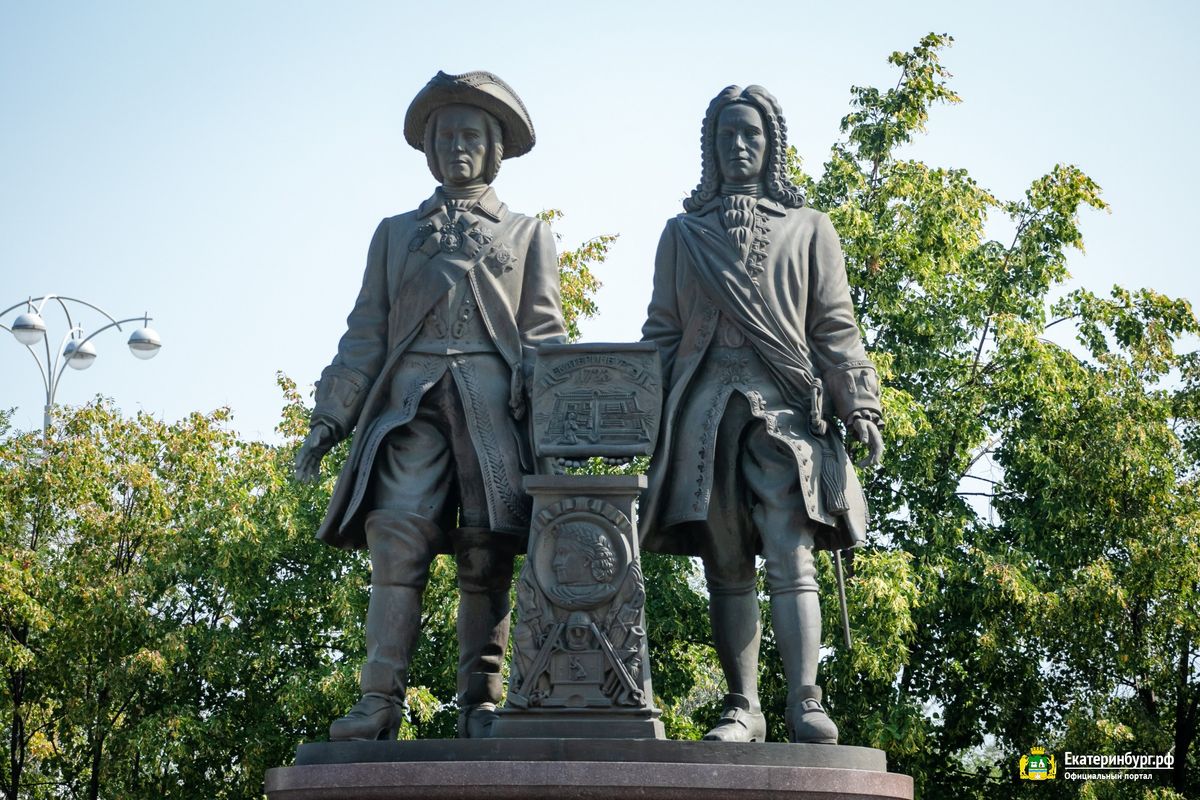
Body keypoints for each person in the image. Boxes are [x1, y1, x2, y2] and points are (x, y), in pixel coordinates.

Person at [294, 70, 566, 740]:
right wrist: (330, 416)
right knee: (396, 539)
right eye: (446, 137)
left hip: (492, 409)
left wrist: (554, 413)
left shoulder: (528, 236)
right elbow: (365, 334)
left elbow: (545, 336)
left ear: (494, 148)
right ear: (431, 150)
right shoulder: (393, 235)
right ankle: (380, 699)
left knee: (488, 552)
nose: (457, 148)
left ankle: (482, 702)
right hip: (408, 406)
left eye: (470, 135)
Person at [639, 85, 884, 744]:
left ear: (772, 146)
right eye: (727, 136)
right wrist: (632, 411)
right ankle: (742, 706)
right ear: (711, 149)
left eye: (752, 135)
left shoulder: (810, 230)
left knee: (790, 553)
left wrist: (858, 402)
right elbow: (660, 336)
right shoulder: (682, 237)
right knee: (724, 564)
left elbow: (835, 327)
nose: (740, 146)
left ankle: (806, 700)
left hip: (788, 415)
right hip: (703, 417)